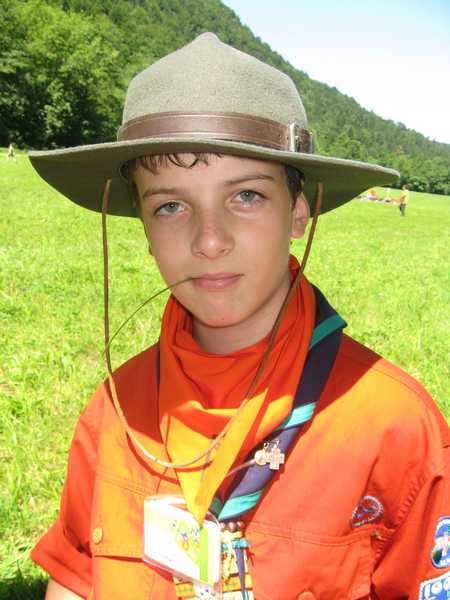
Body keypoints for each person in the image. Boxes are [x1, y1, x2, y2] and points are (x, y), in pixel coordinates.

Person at [29, 33, 449, 600]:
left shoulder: (393, 427)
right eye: (170, 205)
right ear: (144, 229)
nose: (209, 240)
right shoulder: (116, 408)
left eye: (246, 196)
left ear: (298, 211)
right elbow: (76, 577)